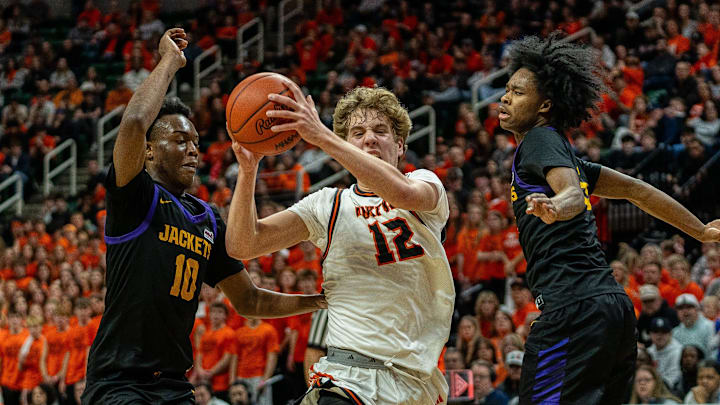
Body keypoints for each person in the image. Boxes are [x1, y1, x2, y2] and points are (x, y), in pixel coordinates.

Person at [82, 29, 325, 405]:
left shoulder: (207, 218)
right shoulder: (136, 197)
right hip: (119, 382)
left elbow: (251, 302)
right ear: (148, 151)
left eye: (195, 142)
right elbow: (131, 125)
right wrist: (169, 62)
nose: (193, 150)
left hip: (175, 384)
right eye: (180, 140)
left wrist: (317, 301)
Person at [498, 33, 720, 405]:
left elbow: (568, 191)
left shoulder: (539, 141)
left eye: (518, 92)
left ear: (545, 105)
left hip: (573, 310)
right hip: (613, 309)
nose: (505, 97)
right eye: (507, 89)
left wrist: (560, 205)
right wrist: (699, 229)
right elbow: (638, 190)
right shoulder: (570, 157)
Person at [226, 83, 454, 404]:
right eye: (357, 133)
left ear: (400, 146)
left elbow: (401, 194)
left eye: (380, 131)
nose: (369, 138)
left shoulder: (426, 183)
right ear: (346, 143)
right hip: (347, 374)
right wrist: (249, 171)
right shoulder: (327, 205)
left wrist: (320, 135)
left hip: (414, 378)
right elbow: (243, 245)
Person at [648, 317, 684, 388]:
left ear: (670, 334)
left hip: (672, 390)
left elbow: (673, 379)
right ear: (650, 334)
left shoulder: (678, 351)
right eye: (656, 332)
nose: (659, 335)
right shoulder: (649, 351)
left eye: (664, 332)